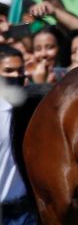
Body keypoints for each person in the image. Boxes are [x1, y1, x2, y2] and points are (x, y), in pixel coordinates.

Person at [0, 44, 37, 225]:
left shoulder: (31, 112)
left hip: (24, 213)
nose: (15, 76)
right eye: (8, 71)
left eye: (20, 70)